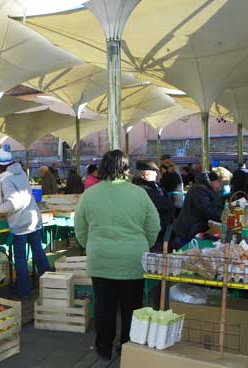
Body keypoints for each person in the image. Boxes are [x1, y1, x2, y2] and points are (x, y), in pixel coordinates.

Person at [74, 150, 160, 361]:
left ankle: (103, 347)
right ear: (126, 169)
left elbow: (80, 228)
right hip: (132, 259)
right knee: (132, 306)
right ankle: (127, 346)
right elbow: (154, 226)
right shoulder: (139, 193)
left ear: (102, 168)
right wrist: (143, 245)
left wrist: (92, 245)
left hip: (101, 258)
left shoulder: (90, 194)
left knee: (104, 306)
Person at [0, 145, 50, 299]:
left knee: (21, 259)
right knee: (38, 253)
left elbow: (13, 203)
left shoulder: (6, 180)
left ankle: (24, 293)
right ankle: (52, 285)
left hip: (20, 223)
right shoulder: (21, 172)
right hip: (33, 219)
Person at [133, 160, 175, 252]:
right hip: (154, 233)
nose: (157, 175)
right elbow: (162, 205)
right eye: (154, 172)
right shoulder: (142, 189)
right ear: (146, 174)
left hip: (161, 229)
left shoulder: (154, 187)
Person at [174, 172, 223, 245]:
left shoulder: (206, 189)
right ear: (213, 181)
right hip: (189, 229)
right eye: (219, 182)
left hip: (194, 228)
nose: (220, 185)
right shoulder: (200, 190)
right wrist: (223, 216)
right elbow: (206, 210)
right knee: (188, 250)